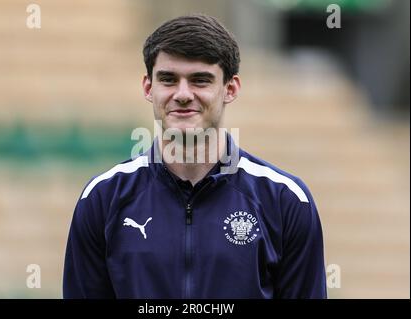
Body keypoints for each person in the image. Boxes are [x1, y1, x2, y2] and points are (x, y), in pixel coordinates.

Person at [63, 14, 327, 299]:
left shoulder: (285, 200)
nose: (183, 94)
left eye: (200, 80)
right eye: (168, 79)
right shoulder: (102, 198)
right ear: (148, 88)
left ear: (230, 89)